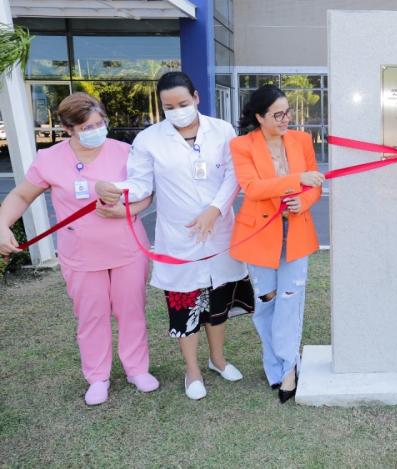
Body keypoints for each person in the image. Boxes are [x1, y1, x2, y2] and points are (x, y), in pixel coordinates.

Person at [95, 71, 253, 401]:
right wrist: (115, 189)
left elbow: (235, 175)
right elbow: (140, 183)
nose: (177, 110)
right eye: (169, 106)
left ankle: (218, 360)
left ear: (196, 97)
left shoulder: (222, 131)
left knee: (218, 303)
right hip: (179, 239)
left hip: (218, 233)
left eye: (182, 103)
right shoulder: (149, 139)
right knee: (185, 306)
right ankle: (192, 371)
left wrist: (215, 209)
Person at [0, 92, 157, 406]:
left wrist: (128, 209)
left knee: (131, 311)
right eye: (87, 127)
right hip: (81, 253)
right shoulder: (50, 160)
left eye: (101, 123)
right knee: (91, 315)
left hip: (127, 247)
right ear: (68, 128)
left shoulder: (126, 152)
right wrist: (3, 224)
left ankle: (136, 369)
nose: (96, 130)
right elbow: (21, 196)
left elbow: (146, 194)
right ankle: (97, 377)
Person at [229, 84, 324, 403]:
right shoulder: (242, 145)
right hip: (260, 235)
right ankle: (275, 364)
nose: (286, 119)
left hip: (296, 234)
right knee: (267, 302)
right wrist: (297, 181)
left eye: (288, 112)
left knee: (290, 299)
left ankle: (288, 371)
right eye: (278, 114)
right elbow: (253, 188)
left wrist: (305, 201)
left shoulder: (301, 140)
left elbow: (315, 185)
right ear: (260, 116)